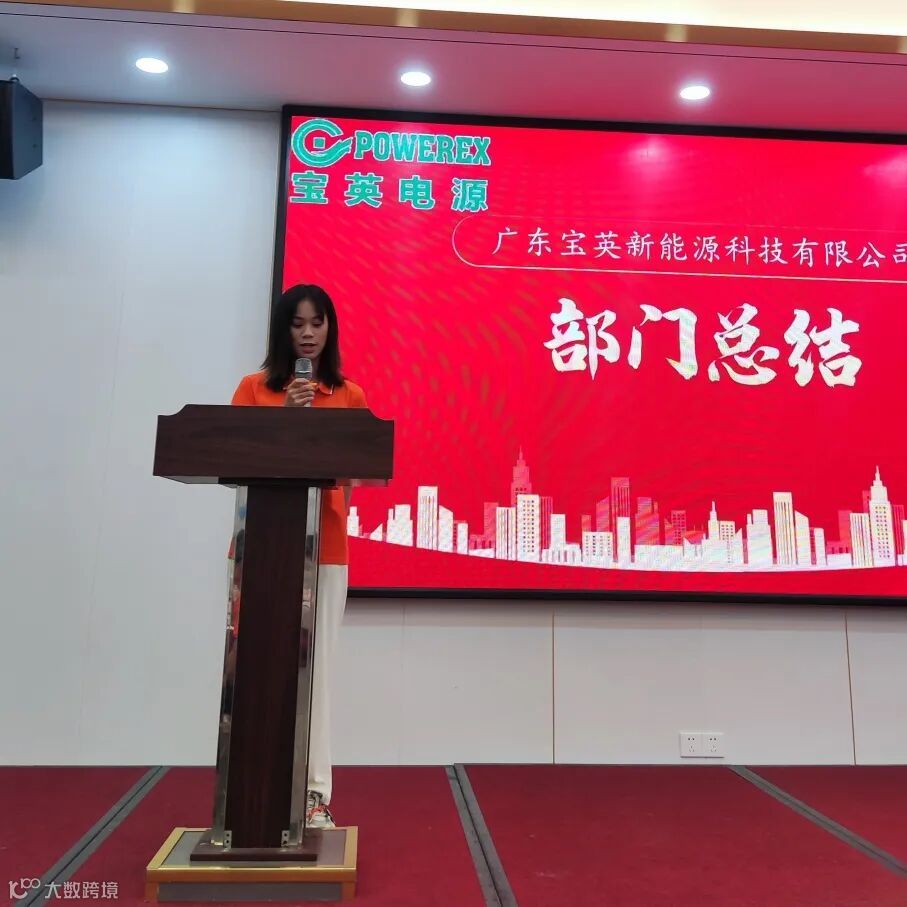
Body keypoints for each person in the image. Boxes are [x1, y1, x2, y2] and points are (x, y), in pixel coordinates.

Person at [231, 283, 368, 829]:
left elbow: (357, 472)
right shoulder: (253, 389)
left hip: (324, 549)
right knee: (254, 668)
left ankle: (313, 795)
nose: (308, 334)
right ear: (282, 330)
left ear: (330, 328)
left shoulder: (349, 395)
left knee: (316, 674)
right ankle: (251, 793)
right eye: (297, 324)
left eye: (317, 323)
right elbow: (231, 461)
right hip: (259, 549)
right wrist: (283, 419)